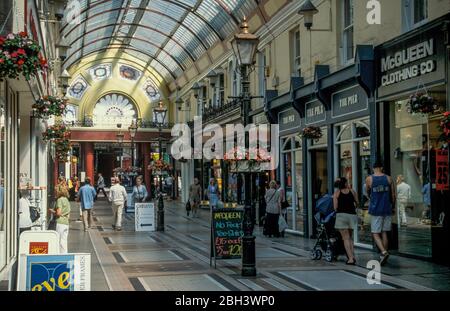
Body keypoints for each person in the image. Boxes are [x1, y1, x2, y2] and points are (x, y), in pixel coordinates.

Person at [365, 161, 396, 265]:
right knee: (384, 231)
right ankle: (384, 255)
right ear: (382, 168)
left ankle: (383, 251)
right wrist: (393, 207)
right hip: (387, 208)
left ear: (373, 168)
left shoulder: (370, 179)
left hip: (376, 209)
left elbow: (368, 192)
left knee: (375, 232)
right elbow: (393, 194)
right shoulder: (388, 178)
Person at [333, 177, 358, 265]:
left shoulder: (337, 193)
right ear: (345, 183)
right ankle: (353, 256)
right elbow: (357, 203)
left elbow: (335, 207)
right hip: (352, 216)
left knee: (345, 238)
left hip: (342, 216)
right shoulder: (353, 191)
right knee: (350, 238)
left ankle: (350, 258)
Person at [49, 187, 71, 253]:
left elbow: (58, 213)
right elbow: (69, 214)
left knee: (58, 240)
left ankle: (58, 255)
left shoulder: (59, 200)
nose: (55, 192)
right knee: (64, 241)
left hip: (60, 222)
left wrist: (52, 211)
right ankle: (64, 255)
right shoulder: (66, 200)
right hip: (66, 222)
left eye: (56, 191)